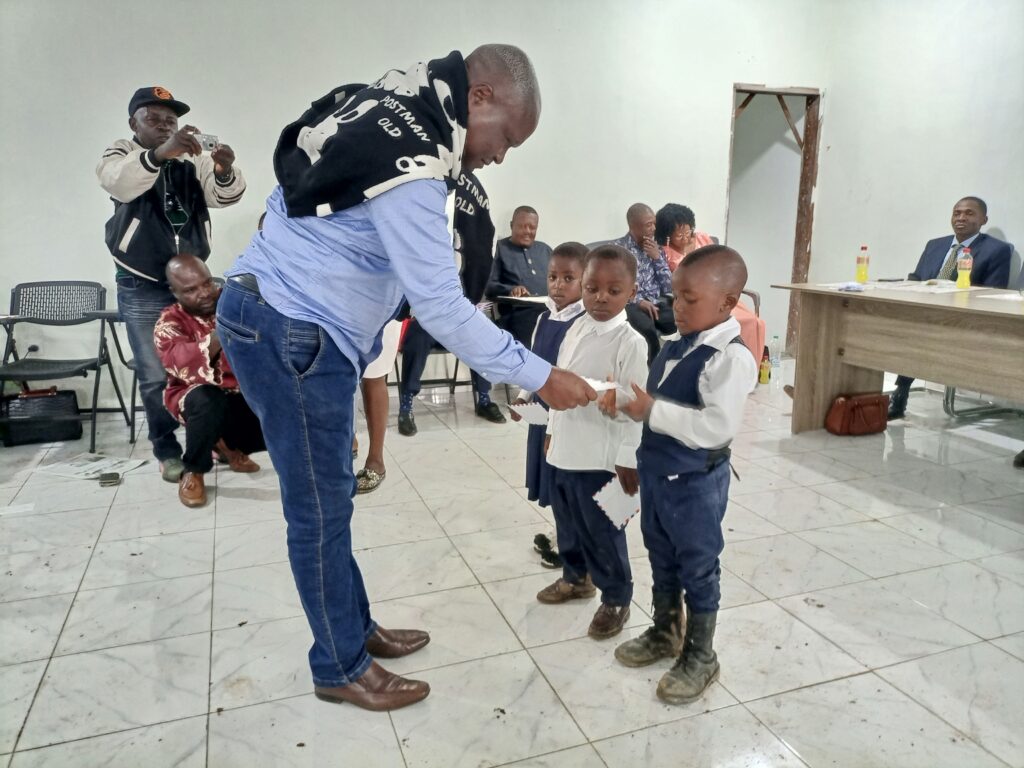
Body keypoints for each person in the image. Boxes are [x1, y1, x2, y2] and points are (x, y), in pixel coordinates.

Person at [217, 45, 595, 712]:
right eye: (506, 136)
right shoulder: (415, 168)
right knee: (320, 512)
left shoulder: (383, 99)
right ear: (477, 99)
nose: (502, 155)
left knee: (333, 496)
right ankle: (338, 664)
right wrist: (541, 376)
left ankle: (353, 629)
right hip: (293, 330)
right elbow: (443, 307)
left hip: (282, 315)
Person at [601, 245, 756, 705]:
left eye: (690, 299)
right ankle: (666, 631)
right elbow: (654, 405)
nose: (677, 308)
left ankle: (701, 655)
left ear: (728, 303)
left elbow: (716, 427)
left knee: (698, 566)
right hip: (658, 476)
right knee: (661, 554)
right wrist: (629, 410)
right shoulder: (676, 344)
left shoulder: (728, 358)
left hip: (694, 485)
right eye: (675, 297)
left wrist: (654, 411)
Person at [97, 86, 246, 482]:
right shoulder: (120, 154)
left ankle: (210, 438)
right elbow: (120, 183)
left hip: (195, 282)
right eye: (154, 118)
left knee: (210, 363)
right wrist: (162, 154)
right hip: (142, 283)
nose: (165, 125)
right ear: (134, 124)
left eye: (171, 120)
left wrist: (222, 168)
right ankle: (167, 449)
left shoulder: (189, 158)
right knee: (154, 372)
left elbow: (224, 197)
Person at [537, 245, 648, 640]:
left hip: (600, 458)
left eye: (613, 290)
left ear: (631, 292)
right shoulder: (575, 328)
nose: (601, 297)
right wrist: (551, 431)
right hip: (565, 449)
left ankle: (616, 595)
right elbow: (557, 382)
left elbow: (636, 405)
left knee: (602, 529)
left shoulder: (629, 342)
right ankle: (575, 576)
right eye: (592, 288)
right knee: (567, 521)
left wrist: (627, 456)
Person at [397, 171, 504, 435]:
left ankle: (483, 399)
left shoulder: (464, 256)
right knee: (416, 337)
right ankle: (406, 405)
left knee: (482, 333)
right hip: (428, 319)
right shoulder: (421, 252)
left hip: (459, 318)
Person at [154, 255, 264, 508]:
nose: (204, 293)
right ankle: (194, 470)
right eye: (190, 290)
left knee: (282, 415)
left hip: (242, 393)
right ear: (174, 292)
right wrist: (221, 333)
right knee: (207, 399)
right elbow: (179, 362)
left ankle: (228, 446)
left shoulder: (232, 302)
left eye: (206, 284)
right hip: (198, 398)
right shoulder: (169, 322)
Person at [889, 196, 1013, 419]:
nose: (961, 218)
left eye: (969, 213)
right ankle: (898, 392)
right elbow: (916, 277)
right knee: (903, 328)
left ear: (984, 219)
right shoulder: (935, 244)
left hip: (961, 318)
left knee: (920, 333)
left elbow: (994, 292)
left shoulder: (997, 250)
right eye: (957, 213)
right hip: (925, 312)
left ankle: (900, 393)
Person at [509, 242, 587, 567]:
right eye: (553, 276)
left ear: (586, 281)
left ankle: (572, 547)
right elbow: (534, 363)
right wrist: (523, 397)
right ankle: (561, 533)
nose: (557, 285)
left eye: (569, 278)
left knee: (566, 482)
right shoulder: (543, 318)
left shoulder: (583, 323)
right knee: (550, 481)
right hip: (542, 416)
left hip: (566, 417)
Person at [612, 203, 673, 362]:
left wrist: (657, 258)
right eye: (648, 225)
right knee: (647, 329)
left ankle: (673, 367)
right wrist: (638, 301)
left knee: (681, 322)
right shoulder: (617, 250)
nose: (653, 228)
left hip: (657, 303)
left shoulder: (656, 248)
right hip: (632, 305)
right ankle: (651, 373)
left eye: (654, 223)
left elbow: (668, 286)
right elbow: (615, 287)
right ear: (633, 226)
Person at [486, 206, 553, 345]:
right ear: (511, 226)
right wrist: (511, 289)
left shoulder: (545, 250)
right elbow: (489, 285)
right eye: (522, 227)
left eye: (532, 227)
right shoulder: (499, 248)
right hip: (519, 315)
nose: (527, 232)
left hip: (550, 312)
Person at [655, 203, 715, 272]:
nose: (684, 238)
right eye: (679, 235)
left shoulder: (702, 238)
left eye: (687, 233)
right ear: (668, 235)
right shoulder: (665, 252)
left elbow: (717, 259)